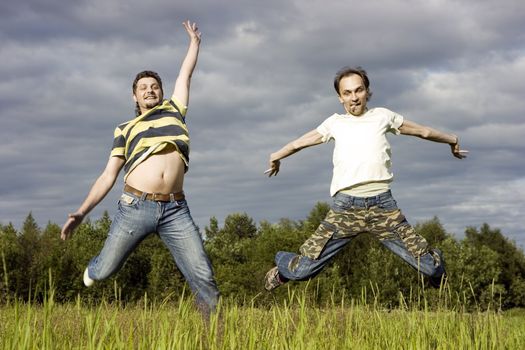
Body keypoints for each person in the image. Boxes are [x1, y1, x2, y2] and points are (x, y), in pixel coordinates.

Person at [61, 21, 219, 315]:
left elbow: (185, 74)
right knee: (106, 270)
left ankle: (215, 338)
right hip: (135, 206)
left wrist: (194, 44)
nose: (150, 90)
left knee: (203, 275)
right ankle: (94, 269)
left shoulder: (175, 110)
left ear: (161, 92)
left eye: (154, 86)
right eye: (143, 88)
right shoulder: (125, 129)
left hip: (175, 209)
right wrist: (82, 212)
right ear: (135, 96)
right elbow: (108, 175)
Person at [264, 66, 468, 291]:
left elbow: (424, 132)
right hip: (346, 209)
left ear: (367, 92)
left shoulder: (382, 116)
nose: (354, 98)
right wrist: (276, 156)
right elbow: (298, 143)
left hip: (383, 207)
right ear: (340, 98)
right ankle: (281, 269)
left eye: (358, 91)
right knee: (301, 271)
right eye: (347, 93)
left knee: (431, 268)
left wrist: (453, 139)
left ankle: (434, 259)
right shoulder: (335, 123)